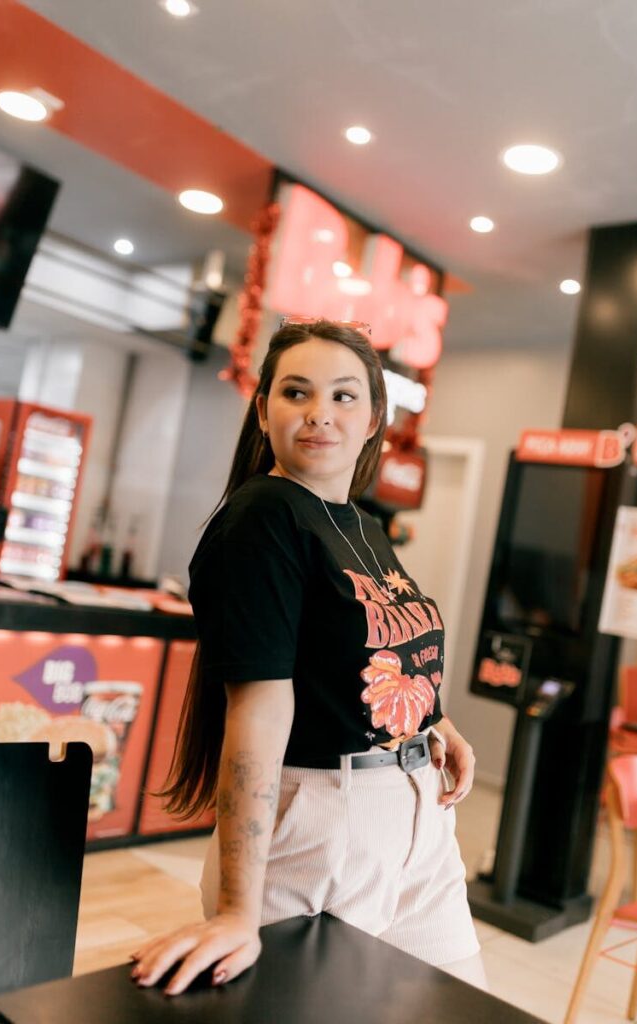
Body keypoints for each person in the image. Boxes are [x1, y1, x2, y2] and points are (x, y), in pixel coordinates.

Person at [131, 319, 484, 995]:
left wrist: (435, 722)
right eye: (296, 392)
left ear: (374, 418)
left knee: (460, 1008)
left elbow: (369, 650)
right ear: (263, 410)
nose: (320, 413)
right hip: (327, 821)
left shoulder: (362, 525)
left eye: (344, 396)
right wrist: (239, 910)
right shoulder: (263, 517)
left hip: (417, 818)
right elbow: (258, 714)